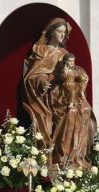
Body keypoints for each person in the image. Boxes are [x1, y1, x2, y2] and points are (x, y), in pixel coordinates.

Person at [22, 18, 71, 154]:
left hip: (63, 93)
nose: (62, 35)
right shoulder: (42, 51)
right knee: (56, 115)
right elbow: (31, 76)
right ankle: (50, 153)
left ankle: (67, 155)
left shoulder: (65, 54)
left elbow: (73, 74)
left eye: (64, 32)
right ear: (51, 32)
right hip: (46, 96)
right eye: (59, 31)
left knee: (80, 111)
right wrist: (41, 81)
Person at [51, 53, 97, 168]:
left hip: (75, 90)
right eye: (70, 62)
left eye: (73, 61)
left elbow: (82, 76)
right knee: (72, 111)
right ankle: (66, 154)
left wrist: (83, 79)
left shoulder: (76, 70)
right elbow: (60, 79)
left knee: (85, 109)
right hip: (64, 92)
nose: (72, 63)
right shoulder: (63, 70)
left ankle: (79, 153)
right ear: (66, 62)